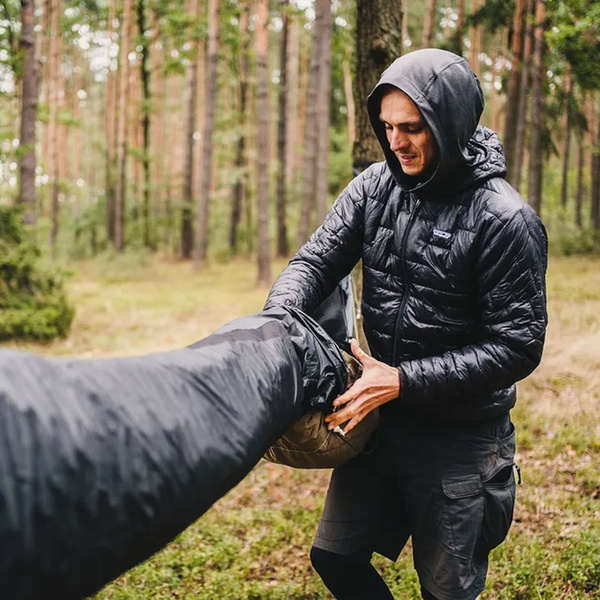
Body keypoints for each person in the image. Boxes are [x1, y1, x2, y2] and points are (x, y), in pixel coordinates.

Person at [264, 48, 547, 600]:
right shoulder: (375, 187)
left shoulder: (506, 220)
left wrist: (401, 379)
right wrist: (279, 323)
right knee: (335, 557)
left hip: (462, 437)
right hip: (384, 422)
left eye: (413, 128)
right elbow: (314, 263)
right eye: (388, 127)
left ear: (453, 122)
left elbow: (518, 345)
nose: (396, 142)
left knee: (446, 591)